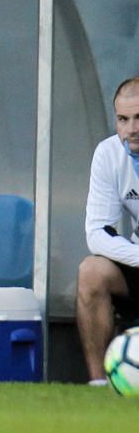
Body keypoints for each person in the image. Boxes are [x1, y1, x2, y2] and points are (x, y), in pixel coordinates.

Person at [75, 77, 139, 387]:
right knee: (91, 271)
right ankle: (100, 385)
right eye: (123, 119)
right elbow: (97, 232)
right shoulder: (108, 154)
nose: (131, 129)